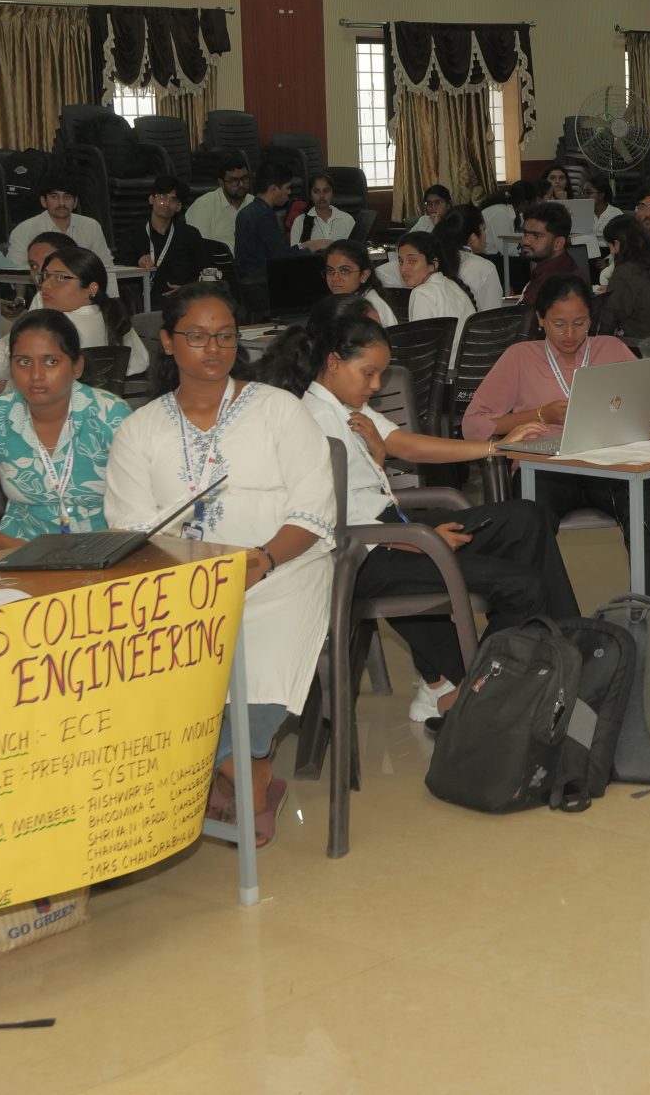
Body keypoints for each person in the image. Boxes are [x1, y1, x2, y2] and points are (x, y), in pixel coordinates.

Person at [263, 305, 577, 724]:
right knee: (522, 585)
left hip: (391, 531)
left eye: (379, 374)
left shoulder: (344, 406)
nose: (376, 385)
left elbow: (406, 444)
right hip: (365, 552)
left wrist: (497, 447)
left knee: (526, 519)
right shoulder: (311, 420)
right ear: (334, 362)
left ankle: (562, 647)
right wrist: (415, 541)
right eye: (369, 373)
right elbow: (327, 517)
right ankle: (476, 690)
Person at [103, 282, 335, 847]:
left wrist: (264, 559)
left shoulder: (279, 408)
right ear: (167, 341)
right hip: (180, 582)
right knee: (145, 661)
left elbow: (314, 507)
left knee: (264, 647)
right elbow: (130, 528)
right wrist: (193, 579)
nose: (213, 347)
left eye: (225, 336)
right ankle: (246, 770)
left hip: (282, 568)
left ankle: (233, 763)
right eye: (197, 336)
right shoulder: (139, 428)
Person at [461, 277, 650, 580]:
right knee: (530, 521)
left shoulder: (610, 348)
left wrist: (638, 410)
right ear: (540, 319)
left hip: (607, 463)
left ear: (591, 319)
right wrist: (540, 415)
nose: (570, 334)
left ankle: (646, 600)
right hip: (544, 468)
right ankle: (543, 601)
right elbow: (472, 424)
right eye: (559, 324)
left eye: (580, 323)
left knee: (648, 511)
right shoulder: (520, 357)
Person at [0, 309, 132, 548]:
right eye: (24, 362)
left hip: (105, 552)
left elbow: (144, 504)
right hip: (19, 553)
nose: (36, 375)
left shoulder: (110, 414)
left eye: (51, 361)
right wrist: (13, 548)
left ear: (76, 366)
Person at [0, 243, 147, 391]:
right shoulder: (113, 316)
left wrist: (5, 384)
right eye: (45, 276)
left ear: (91, 288)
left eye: (60, 278)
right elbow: (141, 363)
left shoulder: (44, 329)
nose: (46, 285)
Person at [389, 231, 478, 365]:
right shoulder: (452, 284)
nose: (403, 269)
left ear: (433, 265)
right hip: (468, 367)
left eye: (412, 261)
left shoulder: (421, 293)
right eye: (401, 261)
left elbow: (422, 350)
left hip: (442, 372)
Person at [594, 214, 650, 339]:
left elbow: (609, 320)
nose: (611, 252)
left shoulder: (624, 272)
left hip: (641, 344)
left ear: (617, 244)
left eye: (610, 246)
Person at [125, 174, 207, 305]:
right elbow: (122, 269)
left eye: (173, 199)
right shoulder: (133, 234)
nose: (167, 203)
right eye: (162, 196)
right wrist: (137, 263)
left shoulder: (190, 235)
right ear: (151, 199)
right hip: (142, 301)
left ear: (179, 206)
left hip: (181, 301)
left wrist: (186, 289)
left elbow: (203, 272)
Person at [7, 172, 112, 264]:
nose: (61, 203)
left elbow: (106, 266)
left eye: (67, 197)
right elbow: (15, 272)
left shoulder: (91, 226)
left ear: (75, 202)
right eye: (54, 197)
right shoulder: (25, 230)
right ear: (43, 201)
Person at [232, 164, 298, 307]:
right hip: (262, 288)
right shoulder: (264, 216)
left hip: (247, 286)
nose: (289, 192)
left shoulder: (246, 212)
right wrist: (309, 249)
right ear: (274, 189)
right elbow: (280, 258)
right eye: (287, 187)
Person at [434, 207, 505, 312]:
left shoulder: (433, 261)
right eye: (483, 229)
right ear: (473, 238)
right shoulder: (484, 268)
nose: (485, 234)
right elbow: (492, 315)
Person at [322, 239, 398, 325]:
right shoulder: (349, 300)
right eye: (330, 271)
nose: (335, 278)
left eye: (344, 271)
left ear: (364, 275)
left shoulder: (369, 309)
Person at [184, 155, 254, 243]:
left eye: (244, 179)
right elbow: (198, 247)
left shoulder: (254, 203)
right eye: (234, 180)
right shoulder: (203, 207)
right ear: (221, 182)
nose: (241, 185)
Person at [518, 201, 582, 296]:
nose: (526, 241)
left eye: (536, 236)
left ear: (558, 243)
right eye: (525, 233)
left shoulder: (556, 282)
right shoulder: (552, 270)